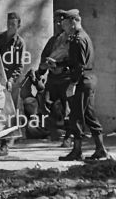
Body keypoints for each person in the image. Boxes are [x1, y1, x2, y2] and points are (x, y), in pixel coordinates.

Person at [57, 9, 108, 161]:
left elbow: (79, 66)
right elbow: (76, 61)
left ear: (73, 22)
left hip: (82, 80)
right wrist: (58, 63)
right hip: (88, 79)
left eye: (65, 22)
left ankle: (77, 151)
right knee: (89, 115)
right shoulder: (82, 37)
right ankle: (100, 149)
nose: (62, 25)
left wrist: (72, 83)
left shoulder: (78, 40)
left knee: (76, 116)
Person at [0, 11, 26, 156]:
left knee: (9, 113)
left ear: (18, 25)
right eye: (8, 23)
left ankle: (5, 144)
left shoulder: (19, 43)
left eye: (13, 24)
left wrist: (11, 80)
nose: (10, 26)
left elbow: (19, 66)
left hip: (11, 82)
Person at [37, 9, 72, 144]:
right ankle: (55, 132)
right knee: (48, 103)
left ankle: (69, 136)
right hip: (53, 78)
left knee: (67, 108)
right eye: (55, 21)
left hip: (66, 78)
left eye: (61, 21)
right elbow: (44, 57)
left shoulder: (70, 40)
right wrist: (41, 71)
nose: (58, 24)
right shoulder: (52, 41)